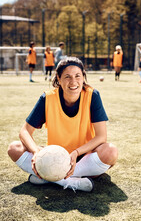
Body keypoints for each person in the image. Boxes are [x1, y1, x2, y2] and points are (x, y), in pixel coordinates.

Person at [8, 57, 118, 192]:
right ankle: (71, 181)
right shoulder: (47, 98)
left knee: (111, 151)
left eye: (78, 76)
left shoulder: (92, 95)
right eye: (67, 77)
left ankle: (49, 177)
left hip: (84, 157)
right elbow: (24, 131)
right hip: (54, 157)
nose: (73, 82)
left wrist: (76, 152)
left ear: (83, 77)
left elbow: (101, 137)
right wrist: (36, 152)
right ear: (58, 79)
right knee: (14, 148)